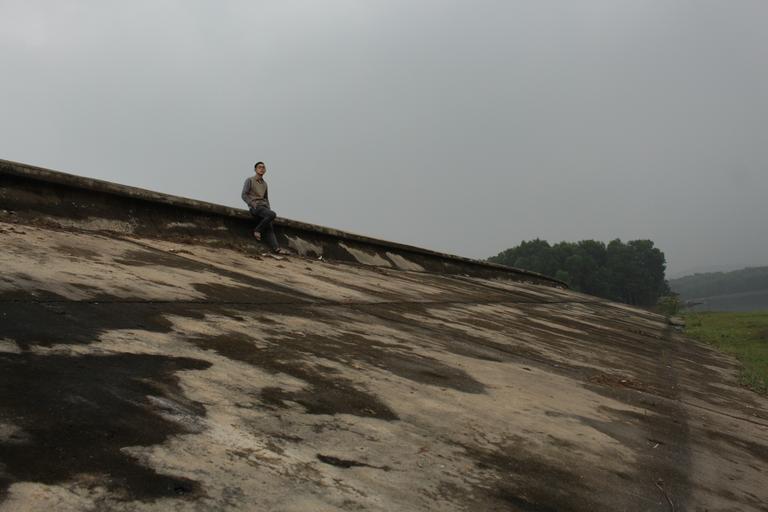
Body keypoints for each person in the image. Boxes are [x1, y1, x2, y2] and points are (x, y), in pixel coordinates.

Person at [241, 161, 284, 253]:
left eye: (263, 167)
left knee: (269, 227)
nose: (262, 169)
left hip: (264, 208)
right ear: (255, 169)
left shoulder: (265, 184)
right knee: (272, 214)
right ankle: (257, 230)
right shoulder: (249, 180)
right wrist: (252, 204)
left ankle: (276, 248)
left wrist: (268, 209)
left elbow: (266, 198)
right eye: (259, 167)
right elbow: (244, 195)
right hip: (256, 207)